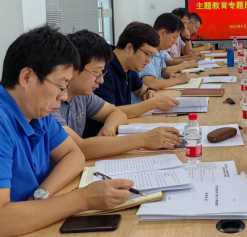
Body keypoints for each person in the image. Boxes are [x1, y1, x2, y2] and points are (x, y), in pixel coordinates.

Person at [0, 25, 134, 237]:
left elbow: (74, 155)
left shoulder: (38, 115)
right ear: (27, 77)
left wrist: (41, 195)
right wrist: (83, 199)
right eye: (60, 86)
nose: (64, 96)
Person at [53, 30, 182, 160]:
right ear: (71, 68)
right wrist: (144, 139)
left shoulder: (83, 96)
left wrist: (108, 128)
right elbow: (78, 148)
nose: (101, 80)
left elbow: (117, 113)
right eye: (96, 73)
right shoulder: (51, 104)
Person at [95, 22, 180, 116]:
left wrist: (149, 92)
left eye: (152, 56)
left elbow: (140, 90)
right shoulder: (101, 70)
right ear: (129, 48)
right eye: (147, 54)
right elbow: (109, 112)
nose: (148, 60)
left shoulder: (129, 67)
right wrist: (152, 103)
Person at [140, 13, 196, 90]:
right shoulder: (147, 50)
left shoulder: (160, 50)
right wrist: (178, 80)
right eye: (174, 37)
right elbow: (150, 83)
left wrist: (171, 76)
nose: (175, 42)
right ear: (163, 33)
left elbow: (162, 72)